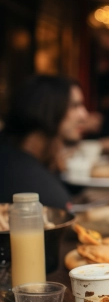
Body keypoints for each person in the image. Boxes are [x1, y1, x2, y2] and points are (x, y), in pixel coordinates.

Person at [0, 75, 88, 210]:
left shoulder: (14, 152)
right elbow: (62, 206)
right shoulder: (26, 175)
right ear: (47, 108)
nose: (84, 115)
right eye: (75, 106)